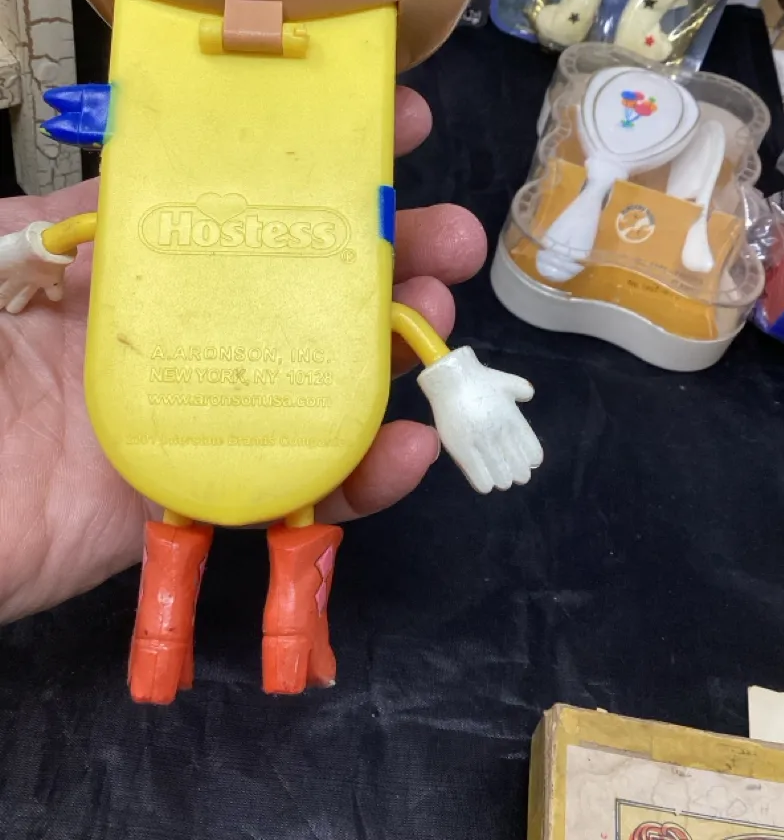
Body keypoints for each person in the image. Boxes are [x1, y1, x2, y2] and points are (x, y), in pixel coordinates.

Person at [0, 87, 487, 625]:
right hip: (192, 416)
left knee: (281, 513)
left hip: (290, 421)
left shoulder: (332, 199)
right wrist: (28, 254)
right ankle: (210, 640)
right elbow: (90, 227)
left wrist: (459, 388)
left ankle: (287, 640)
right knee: (223, 516)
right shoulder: (153, 190)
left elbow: (82, 229)